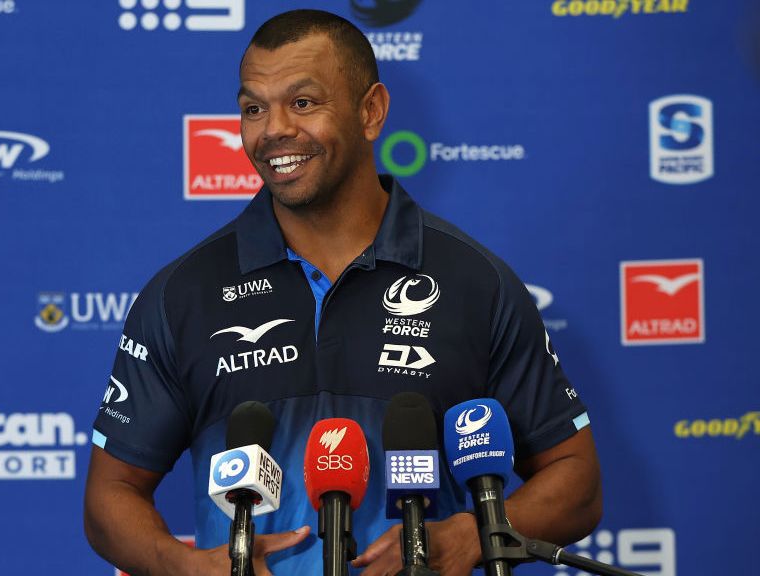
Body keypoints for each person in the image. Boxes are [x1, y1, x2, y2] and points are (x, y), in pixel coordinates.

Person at [85, 9, 601, 576]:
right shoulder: (181, 294)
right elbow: (111, 496)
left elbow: (575, 480)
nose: (273, 129)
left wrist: (476, 534)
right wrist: (185, 567)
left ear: (371, 111)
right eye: (253, 108)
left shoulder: (477, 282)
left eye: (303, 103)